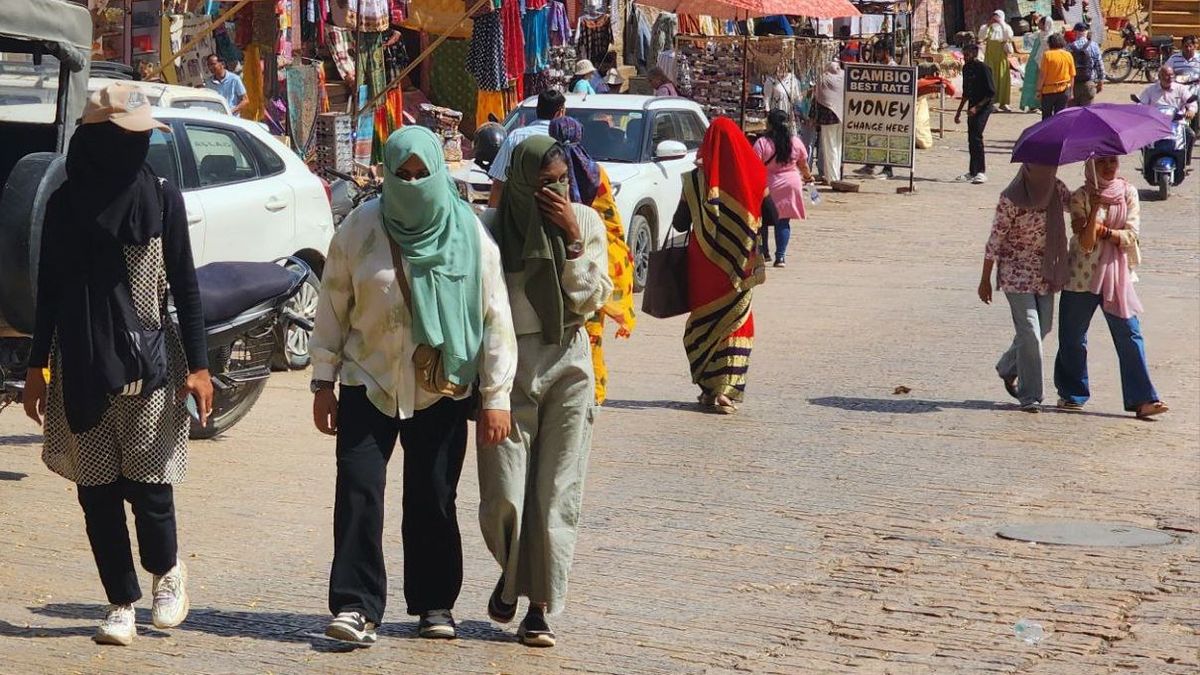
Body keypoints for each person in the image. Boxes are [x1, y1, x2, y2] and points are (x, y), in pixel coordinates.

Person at [310, 126, 517, 645]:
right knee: (358, 491)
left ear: (439, 172)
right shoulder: (360, 229)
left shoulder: (469, 234)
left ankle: (434, 604)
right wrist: (322, 380)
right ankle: (356, 606)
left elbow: (495, 316)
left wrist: (496, 397)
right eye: (401, 174)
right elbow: (333, 304)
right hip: (368, 380)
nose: (412, 182)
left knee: (434, 497)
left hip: (441, 387)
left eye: (422, 173)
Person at [23, 83, 212, 647]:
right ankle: (120, 601)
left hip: (148, 361)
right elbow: (50, 290)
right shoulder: (64, 203)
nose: (139, 147)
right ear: (100, 140)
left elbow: (186, 285)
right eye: (129, 137)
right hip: (81, 362)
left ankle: (167, 571)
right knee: (97, 491)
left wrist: (198, 367)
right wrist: (36, 366)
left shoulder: (162, 198)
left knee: (150, 487)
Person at [478, 137, 612, 648]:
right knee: (504, 493)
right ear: (518, 185)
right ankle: (512, 572)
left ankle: (538, 607)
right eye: (542, 185)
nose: (554, 194)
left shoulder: (586, 221)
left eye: (561, 182)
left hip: (568, 361)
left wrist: (573, 240)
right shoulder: (491, 229)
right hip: (507, 367)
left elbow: (593, 298)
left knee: (557, 491)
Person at [1054, 157, 1168, 419]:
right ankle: (1072, 394)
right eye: (1102, 162)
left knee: (1130, 335)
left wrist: (1103, 231)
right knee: (1072, 338)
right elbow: (1085, 243)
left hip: (1117, 278)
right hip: (1080, 278)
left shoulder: (1128, 193)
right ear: (1090, 166)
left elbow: (1131, 235)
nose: (1108, 167)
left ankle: (1143, 399)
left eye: (1113, 161)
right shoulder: (1080, 197)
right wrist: (1095, 209)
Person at [670, 118, 768, 414]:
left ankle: (709, 388)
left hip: (703, 266)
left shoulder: (694, 181)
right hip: (739, 266)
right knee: (737, 322)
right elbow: (773, 216)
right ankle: (728, 389)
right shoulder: (753, 178)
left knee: (705, 322)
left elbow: (679, 223)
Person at [548, 117, 637, 404]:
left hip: (553, 261)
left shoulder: (544, 172)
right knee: (591, 332)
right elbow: (612, 219)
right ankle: (593, 393)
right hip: (593, 263)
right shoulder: (596, 174)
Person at [978, 164, 1072, 412]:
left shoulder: (1056, 189)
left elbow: (1075, 206)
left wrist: (1094, 191)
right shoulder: (1011, 198)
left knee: (1043, 328)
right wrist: (985, 278)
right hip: (1015, 272)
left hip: (1045, 271)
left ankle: (1008, 366)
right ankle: (1030, 395)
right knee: (1030, 329)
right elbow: (995, 240)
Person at [754, 109, 813, 268]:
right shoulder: (796, 142)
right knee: (783, 221)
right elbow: (803, 165)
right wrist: (808, 178)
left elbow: (754, 165)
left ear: (769, 124)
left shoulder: (762, 143)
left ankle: (764, 253)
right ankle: (780, 257)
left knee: (763, 220)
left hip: (768, 185)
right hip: (790, 184)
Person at [488, 90, 566, 207]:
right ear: (560, 113)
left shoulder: (516, 136)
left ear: (537, 109)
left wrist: (492, 214)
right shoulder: (566, 141)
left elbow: (499, 184)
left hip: (518, 212)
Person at [1138, 64, 1198, 165]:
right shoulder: (1150, 90)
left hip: (1178, 123)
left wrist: (1191, 111)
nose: (1169, 77)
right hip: (1155, 123)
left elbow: (1192, 103)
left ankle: (1185, 161)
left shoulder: (1181, 88)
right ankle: (1146, 160)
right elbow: (1141, 104)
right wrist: (1141, 111)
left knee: (1190, 134)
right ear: (1159, 76)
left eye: (1171, 75)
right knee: (1141, 134)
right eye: (1166, 75)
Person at [956, 42, 995, 184]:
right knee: (971, 138)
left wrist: (977, 108)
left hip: (984, 106)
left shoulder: (983, 68)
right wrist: (958, 112)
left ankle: (981, 171)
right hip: (972, 105)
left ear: (974, 54)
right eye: (964, 54)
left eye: (967, 55)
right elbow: (966, 93)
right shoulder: (966, 68)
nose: (965, 57)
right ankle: (972, 171)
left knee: (977, 136)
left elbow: (991, 93)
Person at [814, 61, 845, 183]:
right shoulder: (844, 77)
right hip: (841, 116)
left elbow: (817, 97)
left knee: (829, 148)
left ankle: (832, 177)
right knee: (838, 147)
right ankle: (834, 175)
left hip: (828, 118)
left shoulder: (824, 79)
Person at [978, 11, 1015, 111]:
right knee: (991, 80)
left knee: (1003, 80)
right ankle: (991, 103)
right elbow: (981, 36)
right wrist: (988, 25)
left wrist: (1001, 23)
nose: (995, 19)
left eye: (997, 17)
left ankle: (1004, 103)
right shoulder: (987, 28)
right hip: (990, 58)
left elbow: (1008, 36)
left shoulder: (1006, 27)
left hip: (1001, 58)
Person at [1036, 33, 1075, 120]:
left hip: (1048, 90)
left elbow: (1042, 75)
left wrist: (1038, 90)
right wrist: (1071, 92)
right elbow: (1072, 75)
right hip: (1064, 89)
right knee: (1060, 117)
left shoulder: (1047, 55)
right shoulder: (1068, 55)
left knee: (1046, 118)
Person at [1021, 16, 1055, 112]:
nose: (1038, 24)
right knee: (1032, 82)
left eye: (1040, 23)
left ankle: (1041, 105)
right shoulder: (1039, 34)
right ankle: (1031, 104)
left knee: (1042, 83)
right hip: (1034, 62)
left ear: (1045, 24)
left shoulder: (1051, 37)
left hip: (1045, 62)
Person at [1067, 23, 1104, 107]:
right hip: (1089, 84)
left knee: (1073, 112)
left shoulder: (1069, 47)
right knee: (1086, 112)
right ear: (1086, 32)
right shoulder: (1094, 46)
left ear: (1075, 32)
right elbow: (1099, 64)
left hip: (1073, 86)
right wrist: (1101, 81)